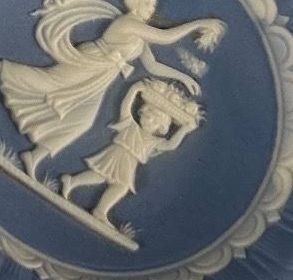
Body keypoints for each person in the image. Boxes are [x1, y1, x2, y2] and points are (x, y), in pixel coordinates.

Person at [0, 0, 223, 179]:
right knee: (47, 83)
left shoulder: (140, 35)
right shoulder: (128, 23)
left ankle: (34, 156)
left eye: (153, 3)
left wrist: (183, 77)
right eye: (148, 2)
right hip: (93, 61)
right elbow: (165, 37)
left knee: (82, 120)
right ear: (135, 2)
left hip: (103, 75)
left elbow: (151, 64)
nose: (152, 8)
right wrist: (200, 23)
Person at [58, 79, 203, 228]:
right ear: (141, 113)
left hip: (129, 161)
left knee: (107, 179)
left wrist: (184, 129)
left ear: (162, 127)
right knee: (115, 183)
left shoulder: (152, 140)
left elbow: (170, 145)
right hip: (118, 154)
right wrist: (134, 90)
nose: (148, 120)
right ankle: (97, 207)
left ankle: (76, 186)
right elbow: (125, 107)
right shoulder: (130, 125)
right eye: (147, 115)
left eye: (154, 121)